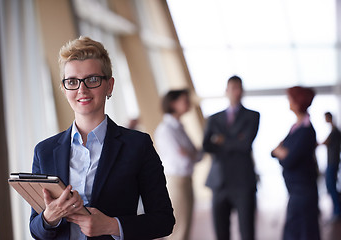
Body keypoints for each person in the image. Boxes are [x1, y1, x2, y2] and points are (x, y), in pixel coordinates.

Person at [29, 36, 175, 240]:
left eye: (92, 79)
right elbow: (36, 229)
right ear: (64, 88)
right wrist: (49, 218)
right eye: (72, 81)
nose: (82, 89)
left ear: (109, 85)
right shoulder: (44, 151)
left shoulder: (138, 145)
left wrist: (112, 225)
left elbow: (164, 220)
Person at [202, 75, 260, 240]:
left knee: (247, 232)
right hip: (219, 181)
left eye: (240, 88)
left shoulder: (253, 116)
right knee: (221, 233)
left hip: (243, 182)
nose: (237, 92)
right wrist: (236, 140)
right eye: (233, 88)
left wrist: (222, 140)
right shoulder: (214, 118)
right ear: (226, 91)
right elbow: (206, 145)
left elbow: (245, 145)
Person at [271, 86, 320, 240]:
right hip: (296, 191)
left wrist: (283, 152)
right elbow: (274, 151)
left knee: (302, 232)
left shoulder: (306, 131)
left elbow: (289, 160)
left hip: (303, 192)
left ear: (297, 102)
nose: (288, 102)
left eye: (290, 99)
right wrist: (282, 152)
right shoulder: (296, 128)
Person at [154, 89, 203, 240]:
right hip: (176, 182)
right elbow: (183, 159)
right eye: (184, 100)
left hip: (187, 180)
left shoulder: (179, 127)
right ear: (173, 103)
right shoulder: (166, 129)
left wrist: (189, 153)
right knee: (178, 230)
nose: (188, 103)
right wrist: (190, 154)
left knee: (185, 226)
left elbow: (197, 155)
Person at [322, 112, 341, 221]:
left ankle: (337, 211)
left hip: (333, 162)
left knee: (331, 186)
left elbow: (325, 142)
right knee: (331, 185)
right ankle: (337, 209)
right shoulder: (335, 131)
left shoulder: (335, 131)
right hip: (333, 161)